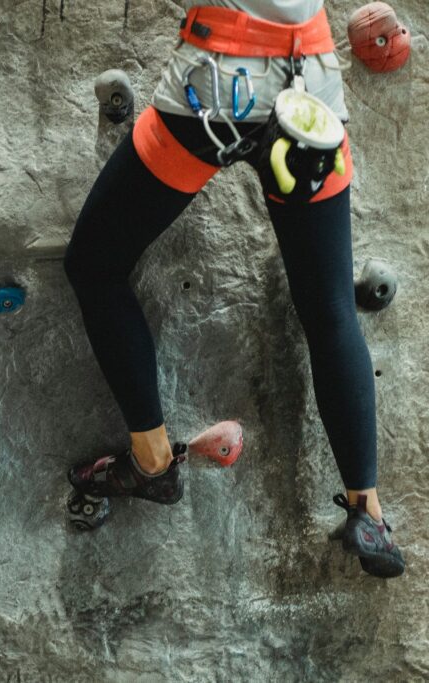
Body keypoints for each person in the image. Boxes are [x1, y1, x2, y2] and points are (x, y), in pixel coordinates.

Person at [63, 0, 405, 577]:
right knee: (327, 311)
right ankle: (366, 510)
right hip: (311, 93)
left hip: (215, 89)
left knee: (95, 265)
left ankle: (151, 462)